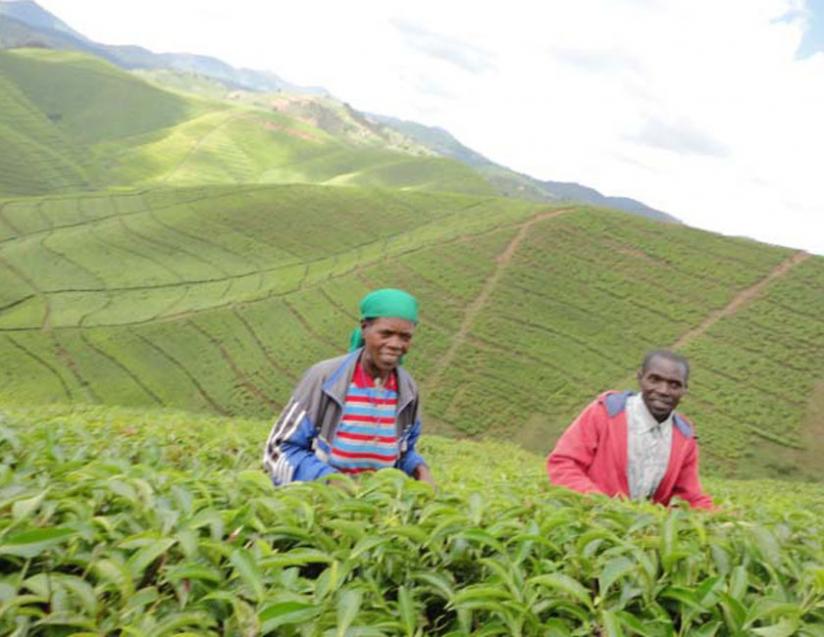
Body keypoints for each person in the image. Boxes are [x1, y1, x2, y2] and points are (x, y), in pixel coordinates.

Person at [263, 288, 434, 487]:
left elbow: (403, 452)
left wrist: (420, 469)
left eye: (405, 337)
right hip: (319, 501)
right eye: (386, 334)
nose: (396, 344)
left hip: (373, 505)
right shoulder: (325, 379)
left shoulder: (407, 390)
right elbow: (279, 449)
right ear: (364, 328)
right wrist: (331, 481)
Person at [546, 350, 713, 510]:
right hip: (591, 518)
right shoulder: (606, 412)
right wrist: (601, 505)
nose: (663, 391)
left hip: (640, 532)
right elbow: (563, 463)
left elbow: (690, 496)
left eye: (674, 385)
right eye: (655, 380)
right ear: (640, 378)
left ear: (684, 390)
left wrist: (723, 519)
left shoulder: (684, 436)